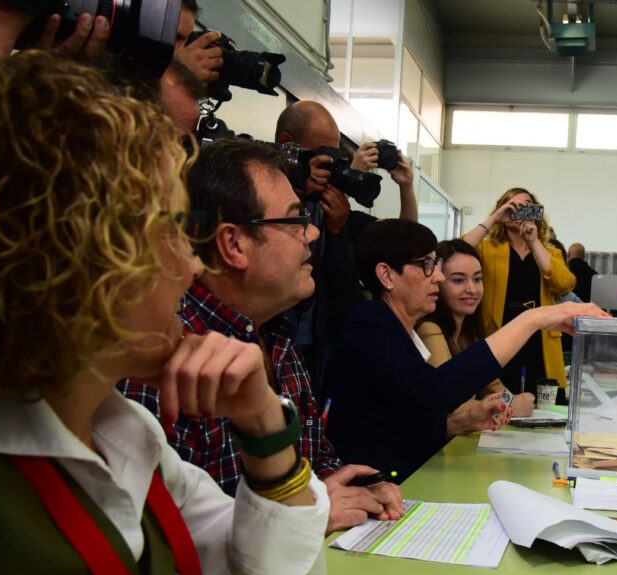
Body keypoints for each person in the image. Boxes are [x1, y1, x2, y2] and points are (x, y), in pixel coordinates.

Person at [0, 54, 328, 575]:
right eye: (174, 230)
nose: (195, 265)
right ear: (82, 253)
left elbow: (288, 572)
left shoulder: (120, 431)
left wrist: (258, 416)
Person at [119, 139, 404, 534]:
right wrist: (308, 508)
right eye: (294, 221)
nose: (312, 235)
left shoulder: (277, 336)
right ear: (234, 244)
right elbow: (181, 543)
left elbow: (318, 462)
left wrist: (361, 492)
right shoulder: (166, 357)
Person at [323, 220, 605, 480]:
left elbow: (405, 412)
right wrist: (534, 319)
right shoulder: (370, 326)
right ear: (386, 275)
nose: (438, 278)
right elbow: (433, 392)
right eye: (426, 266)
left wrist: (461, 421)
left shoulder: (399, 330)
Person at [274, 100, 418, 390]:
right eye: (324, 155)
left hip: (313, 348)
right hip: (261, 335)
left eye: (336, 156)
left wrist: (405, 187)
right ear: (288, 146)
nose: (330, 166)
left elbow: (406, 241)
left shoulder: (338, 215)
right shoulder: (256, 199)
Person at [462, 188, 577, 400]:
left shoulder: (549, 252)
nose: (519, 212)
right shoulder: (488, 249)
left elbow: (564, 285)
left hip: (539, 339)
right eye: (513, 207)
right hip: (500, 334)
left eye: (526, 207)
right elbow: (458, 249)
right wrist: (495, 218)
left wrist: (534, 242)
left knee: (543, 401)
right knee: (498, 396)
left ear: (535, 213)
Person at [417, 239, 536, 419]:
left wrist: (509, 401)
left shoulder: (469, 332)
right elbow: (446, 402)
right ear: (437, 281)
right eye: (458, 280)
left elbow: (493, 385)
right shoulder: (429, 329)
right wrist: (509, 406)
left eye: (477, 279)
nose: (472, 289)